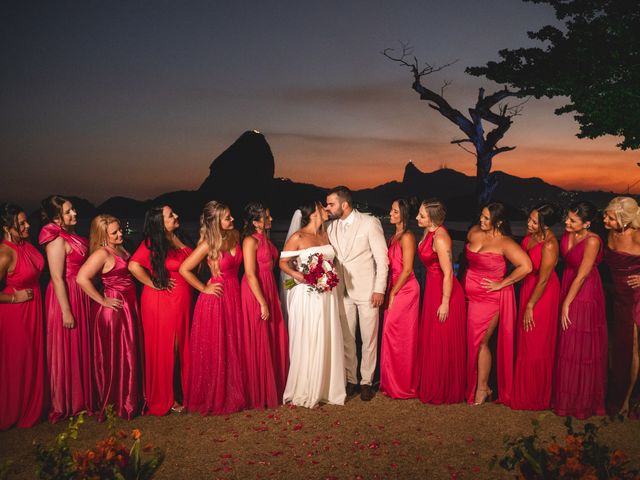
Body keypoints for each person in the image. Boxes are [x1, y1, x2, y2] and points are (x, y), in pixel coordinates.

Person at [179, 201, 246, 415]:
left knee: (233, 344)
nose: (232, 219)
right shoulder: (208, 244)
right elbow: (184, 269)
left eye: (230, 216)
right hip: (216, 299)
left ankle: (235, 388)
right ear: (216, 222)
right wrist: (203, 288)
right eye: (227, 217)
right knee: (217, 346)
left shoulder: (235, 235)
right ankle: (215, 394)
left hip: (235, 295)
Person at [464, 203, 532, 406]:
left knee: (482, 342)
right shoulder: (474, 231)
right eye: (482, 217)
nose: (482, 221)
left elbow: (526, 266)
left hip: (490, 299)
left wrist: (502, 283)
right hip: (471, 296)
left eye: (487, 219)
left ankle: (483, 387)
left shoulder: (506, 243)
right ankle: (478, 384)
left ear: (499, 222)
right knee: (471, 342)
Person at [280, 201, 346, 408]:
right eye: (323, 207)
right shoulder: (298, 237)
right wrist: (297, 274)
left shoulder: (324, 235)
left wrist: (328, 275)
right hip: (307, 294)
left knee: (326, 334)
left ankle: (326, 387)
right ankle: (307, 387)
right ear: (314, 213)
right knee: (309, 336)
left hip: (326, 294)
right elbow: (282, 262)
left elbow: (330, 261)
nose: (327, 210)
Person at [129, 206, 193, 415]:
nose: (176, 216)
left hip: (182, 301)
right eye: (171, 215)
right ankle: (168, 396)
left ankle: (183, 391)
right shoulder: (151, 243)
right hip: (162, 302)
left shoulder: (179, 236)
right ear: (159, 221)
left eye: (175, 213)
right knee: (168, 348)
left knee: (182, 345)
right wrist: (154, 283)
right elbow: (133, 266)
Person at [326, 186, 388, 401]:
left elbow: (382, 259)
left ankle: (366, 382)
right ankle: (351, 379)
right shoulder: (330, 228)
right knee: (347, 337)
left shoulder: (370, 223)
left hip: (368, 290)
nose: (327, 208)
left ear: (344, 204)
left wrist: (379, 289)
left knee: (369, 339)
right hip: (341, 291)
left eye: (331, 204)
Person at [77, 214, 141, 420]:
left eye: (119, 229)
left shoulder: (120, 247)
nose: (120, 233)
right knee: (117, 357)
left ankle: (130, 398)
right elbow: (81, 278)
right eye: (114, 232)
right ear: (103, 235)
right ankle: (118, 402)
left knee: (128, 354)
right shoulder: (101, 254)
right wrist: (102, 300)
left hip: (128, 305)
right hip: (113, 310)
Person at [39, 195, 93, 422]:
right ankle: (68, 400)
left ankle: (83, 396)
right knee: (67, 346)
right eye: (69, 211)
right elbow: (57, 278)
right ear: (57, 217)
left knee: (80, 345)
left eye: (73, 210)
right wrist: (66, 311)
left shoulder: (68, 235)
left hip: (79, 292)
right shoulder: (55, 240)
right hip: (65, 296)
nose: (75, 214)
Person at [552, 201, 607, 419]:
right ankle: (565, 397)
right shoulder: (566, 235)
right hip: (568, 282)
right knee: (567, 342)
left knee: (579, 344)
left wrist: (567, 302)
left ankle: (581, 401)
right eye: (567, 217)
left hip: (584, 291)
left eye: (573, 220)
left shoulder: (592, 240)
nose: (566, 222)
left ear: (586, 223)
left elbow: (583, 275)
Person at [416, 199, 466, 404]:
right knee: (432, 338)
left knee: (441, 339)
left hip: (444, 292)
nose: (417, 217)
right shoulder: (429, 232)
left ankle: (443, 387)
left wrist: (445, 302)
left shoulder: (441, 238)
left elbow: (448, 273)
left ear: (433, 219)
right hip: (432, 287)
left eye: (421, 215)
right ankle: (432, 382)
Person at [511, 204, 561, 411]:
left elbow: (544, 279)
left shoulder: (550, 244)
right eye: (529, 219)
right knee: (525, 339)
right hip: (527, 287)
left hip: (542, 294)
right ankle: (522, 391)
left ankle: (536, 395)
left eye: (534, 221)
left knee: (536, 341)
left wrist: (531, 305)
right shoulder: (530, 236)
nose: (529, 223)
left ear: (545, 224)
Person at [0, 204, 45, 430]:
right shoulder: (5, 252)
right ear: (8, 227)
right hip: (16, 312)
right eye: (22, 223)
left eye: (26, 221)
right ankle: (15, 409)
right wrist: (14, 299)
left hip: (35, 306)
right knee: (20, 361)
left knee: (34, 357)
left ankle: (34, 406)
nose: (28, 226)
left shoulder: (25, 245)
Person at [240, 202, 289, 409]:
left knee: (272, 336)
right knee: (259, 337)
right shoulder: (250, 241)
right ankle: (258, 391)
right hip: (255, 291)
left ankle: (276, 386)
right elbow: (250, 274)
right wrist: (262, 303)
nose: (271, 220)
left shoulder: (266, 239)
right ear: (255, 222)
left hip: (269, 287)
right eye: (266, 217)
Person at [603, 196, 640, 417]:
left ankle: (628, 400)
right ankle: (620, 394)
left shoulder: (637, 235)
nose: (604, 218)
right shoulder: (610, 232)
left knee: (633, 347)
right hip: (619, 297)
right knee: (621, 347)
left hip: (636, 296)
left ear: (624, 220)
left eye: (609, 217)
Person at [379, 198, 419, 399]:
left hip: (405, 289)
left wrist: (393, 292)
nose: (391, 213)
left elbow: (408, 269)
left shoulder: (407, 237)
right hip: (393, 286)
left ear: (403, 214)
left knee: (400, 336)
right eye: (391, 210)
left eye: (394, 211)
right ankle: (390, 381)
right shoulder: (393, 236)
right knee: (389, 334)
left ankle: (403, 384)